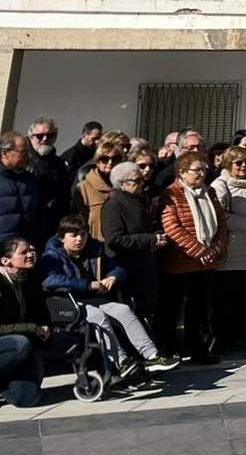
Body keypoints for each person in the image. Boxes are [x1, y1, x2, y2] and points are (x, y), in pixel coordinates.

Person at [40, 215, 178, 378]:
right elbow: (50, 280)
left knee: (123, 310)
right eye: (74, 235)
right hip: (70, 303)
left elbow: (118, 268)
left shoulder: (95, 248)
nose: (79, 239)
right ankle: (122, 361)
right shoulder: (52, 255)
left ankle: (152, 356)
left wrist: (113, 276)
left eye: (83, 234)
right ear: (62, 237)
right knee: (98, 316)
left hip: (94, 298)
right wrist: (87, 284)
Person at [159, 152, 228, 363]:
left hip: (206, 263)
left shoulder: (211, 193)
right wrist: (199, 251)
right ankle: (170, 349)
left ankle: (200, 349)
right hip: (180, 262)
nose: (202, 174)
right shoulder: (171, 194)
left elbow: (222, 224)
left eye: (204, 170)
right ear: (182, 172)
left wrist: (215, 249)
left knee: (201, 309)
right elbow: (172, 227)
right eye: (197, 170)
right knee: (175, 308)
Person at [209, 146, 246, 350]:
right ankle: (222, 339)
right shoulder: (220, 185)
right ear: (228, 164)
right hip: (228, 251)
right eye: (238, 163)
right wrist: (245, 223)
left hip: (245, 250)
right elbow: (218, 215)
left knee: (240, 295)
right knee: (224, 298)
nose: (243, 166)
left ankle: (236, 334)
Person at [101, 160, 165, 319]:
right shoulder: (114, 205)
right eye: (136, 180)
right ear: (121, 184)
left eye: (141, 179)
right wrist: (149, 239)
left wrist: (158, 236)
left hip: (146, 265)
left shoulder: (141, 200)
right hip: (127, 268)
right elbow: (114, 239)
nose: (141, 183)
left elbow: (148, 226)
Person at [0, 235, 48, 407]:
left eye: (31, 250)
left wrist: (44, 327)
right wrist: (31, 328)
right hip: (9, 341)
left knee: (27, 399)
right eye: (24, 252)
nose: (30, 255)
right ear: (6, 261)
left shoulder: (27, 280)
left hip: (17, 339)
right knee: (20, 344)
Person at [0, 133, 40, 248]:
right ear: (5, 153)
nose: (28, 156)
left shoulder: (30, 179)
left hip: (25, 247)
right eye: (23, 152)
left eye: (28, 151)